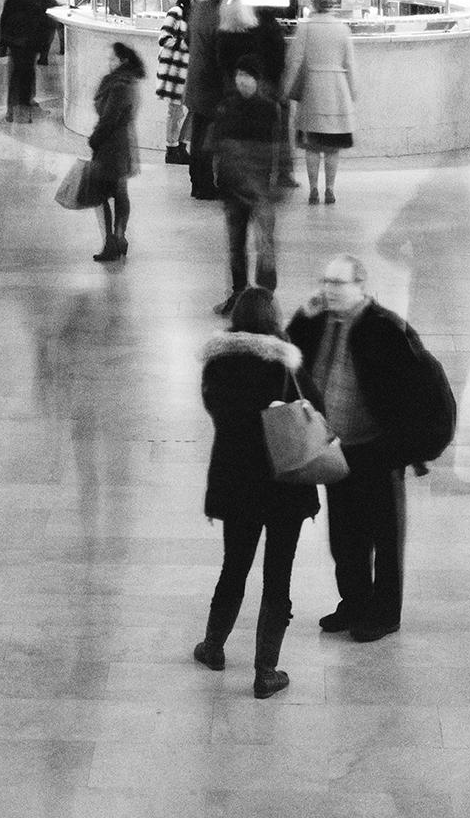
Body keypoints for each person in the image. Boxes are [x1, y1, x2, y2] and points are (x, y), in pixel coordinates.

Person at [286, 254, 441, 643]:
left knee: (384, 538)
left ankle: (385, 614)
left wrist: (406, 447)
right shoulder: (318, 320)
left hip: (377, 450)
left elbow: (420, 390)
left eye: (338, 283)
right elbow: (285, 355)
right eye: (325, 281)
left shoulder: (386, 328)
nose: (329, 290)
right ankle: (354, 602)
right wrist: (302, 316)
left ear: (361, 285)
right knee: (344, 536)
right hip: (334, 450)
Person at [194, 288, 321, 700]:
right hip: (285, 484)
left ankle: (213, 648)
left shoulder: (216, 364)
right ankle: (266, 671)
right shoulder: (286, 364)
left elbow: (214, 410)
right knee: (277, 575)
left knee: (234, 566)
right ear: (273, 319)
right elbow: (316, 411)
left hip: (237, 482)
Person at [210, 60, 283, 310]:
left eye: (247, 75)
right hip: (233, 190)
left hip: (260, 189)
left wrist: (275, 184)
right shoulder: (227, 106)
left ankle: (265, 297)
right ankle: (238, 294)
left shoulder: (269, 108)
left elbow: (278, 149)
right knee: (236, 245)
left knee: (265, 246)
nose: (242, 80)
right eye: (239, 74)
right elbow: (218, 146)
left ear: (257, 79)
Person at [282, 0, 358, 199]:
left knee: (312, 145)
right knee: (333, 147)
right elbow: (349, 63)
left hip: (312, 90)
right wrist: (352, 91)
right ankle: (330, 189)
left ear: (313, 4)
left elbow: (295, 60)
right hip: (337, 89)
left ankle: (314, 188)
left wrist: (286, 88)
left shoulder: (306, 28)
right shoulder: (343, 29)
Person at [86, 42, 144, 263]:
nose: (108, 63)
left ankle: (112, 241)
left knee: (103, 194)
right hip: (123, 145)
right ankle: (119, 238)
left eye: (112, 59)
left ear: (122, 61)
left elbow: (108, 118)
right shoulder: (130, 82)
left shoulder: (118, 85)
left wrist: (95, 140)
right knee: (120, 192)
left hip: (111, 147)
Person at [184, 0, 232, 200]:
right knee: (208, 138)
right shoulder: (220, 16)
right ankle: (205, 186)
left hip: (194, 80)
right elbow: (220, 53)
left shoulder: (199, 9)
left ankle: (196, 182)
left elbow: (187, 38)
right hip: (210, 84)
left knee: (198, 135)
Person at [0, 0, 58, 124]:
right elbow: (33, 7)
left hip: (25, 38)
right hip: (21, 38)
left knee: (26, 74)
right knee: (20, 74)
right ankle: (17, 113)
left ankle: (25, 106)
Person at [157, 0, 206, 164]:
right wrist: (186, 44)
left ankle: (181, 145)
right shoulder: (176, 12)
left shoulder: (195, 15)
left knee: (192, 109)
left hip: (188, 71)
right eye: (198, 0)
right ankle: (171, 148)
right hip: (175, 71)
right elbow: (164, 38)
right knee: (175, 111)